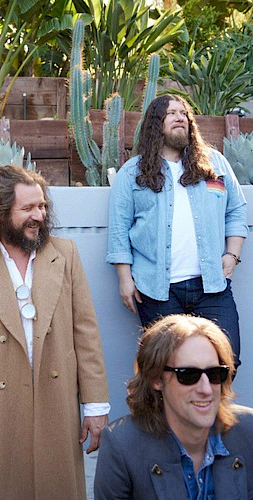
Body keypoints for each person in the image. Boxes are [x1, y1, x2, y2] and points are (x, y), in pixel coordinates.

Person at [0, 165, 110, 500]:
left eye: (42, 206)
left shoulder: (65, 254)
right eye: (28, 209)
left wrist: (95, 405)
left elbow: (86, 332)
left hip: (58, 401)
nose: (39, 215)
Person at [107, 94, 247, 369]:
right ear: (155, 124)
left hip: (212, 286)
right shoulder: (132, 173)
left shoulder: (214, 164)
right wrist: (124, 279)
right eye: (170, 113)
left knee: (226, 360)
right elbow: (118, 229)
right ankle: (172, 414)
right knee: (168, 367)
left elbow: (236, 211)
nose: (179, 117)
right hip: (157, 290)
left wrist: (232, 255)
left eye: (183, 113)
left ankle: (211, 413)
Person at [94, 314, 253, 499]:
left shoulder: (248, 433)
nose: (206, 389)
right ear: (156, 379)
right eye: (188, 375)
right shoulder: (122, 446)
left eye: (215, 373)